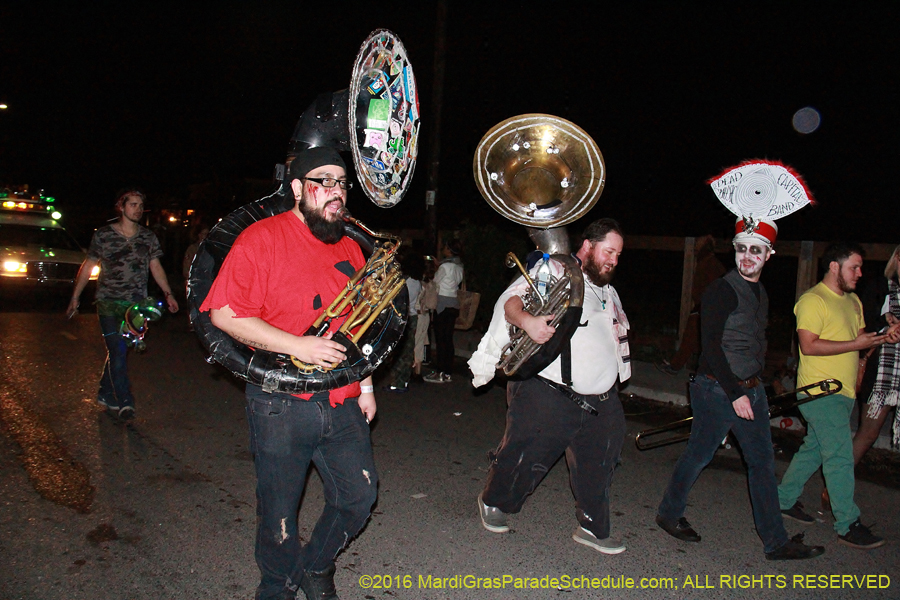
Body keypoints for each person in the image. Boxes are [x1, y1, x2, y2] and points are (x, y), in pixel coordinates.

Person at [200, 147, 378, 600]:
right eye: (324, 181)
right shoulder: (261, 238)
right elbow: (224, 314)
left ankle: (315, 564)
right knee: (279, 513)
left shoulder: (350, 246)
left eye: (342, 183)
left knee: (358, 497)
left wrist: (367, 385)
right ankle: (276, 586)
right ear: (297, 188)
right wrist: (298, 345)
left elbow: (359, 324)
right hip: (279, 400)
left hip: (342, 395)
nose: (336, 192)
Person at [656, 218, 823, 560]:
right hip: (717, 389)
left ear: (769, 255)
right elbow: (711, 347)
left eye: (755, 250)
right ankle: (669, 514)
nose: (747, 256)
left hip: (750, 389)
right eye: (742, 249)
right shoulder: (720, 290)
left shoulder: (760, 292)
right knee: (700, 454)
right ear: (734, 250)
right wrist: (735, 394)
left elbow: (753, 342)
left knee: (761, 462)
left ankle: (775, 542)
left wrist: (760, 384)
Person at [471, 218, 632, 554]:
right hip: (552, 392)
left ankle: (592, 527)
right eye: (609, 251)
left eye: (618, 255)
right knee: (524, 457)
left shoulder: (609, 290)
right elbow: (511, 302)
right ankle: (494, 501)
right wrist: (528, 322)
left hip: (602, 400)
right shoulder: (556, 271)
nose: (614, 260)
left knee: (600, 464)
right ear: (588, 246)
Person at [777, 242, 899, 550]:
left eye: (860, 268)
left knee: (815, 449)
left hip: (843, 391)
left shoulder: (853, 301)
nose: (860, 273)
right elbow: (809, 346)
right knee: (840, 456)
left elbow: (858, 339)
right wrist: (856, 345)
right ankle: (847, 524)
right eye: (854, 267)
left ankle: (782, 499)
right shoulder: (812, 300)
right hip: (819, 390)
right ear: (834, 267)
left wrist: (884, 336)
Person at [67, 189, 179, 420]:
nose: (138, 209)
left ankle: (105, 391)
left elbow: (155, 267)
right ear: (121, 207)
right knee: (117, 349)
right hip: (108, 302)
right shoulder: (104, 235)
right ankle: (125, 400)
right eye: (133, 205)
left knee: (120, 350)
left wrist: (169, 294)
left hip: (135, 306)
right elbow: (88, 265)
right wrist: (75, 297)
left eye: (141, 206)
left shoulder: (148, 237)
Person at [852, 244, 900, 462]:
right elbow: (863, 325)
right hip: (883, 370)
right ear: (897, 257)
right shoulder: (881, 286)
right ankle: (838, 480)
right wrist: (885, 321)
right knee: (869, 432)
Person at [657, 234, 726, 375]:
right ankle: (677, 366)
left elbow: (719, 289)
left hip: (708, 308)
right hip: (704, 307)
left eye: (698, 245)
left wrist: (708, 307)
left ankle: (678, 367)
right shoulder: (704, 262)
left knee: (696, 337)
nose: (695, 248)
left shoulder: (711, 264)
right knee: (693, 338)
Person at [423, 239, 464, 383]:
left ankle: (439, 371)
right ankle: (447, 372)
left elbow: (436, 282)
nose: (444, 250)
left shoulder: (445, 266)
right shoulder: (459, 266)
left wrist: (437, 268)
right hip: (453, 303)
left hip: (442, 303)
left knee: (440, 339)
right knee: (448, 339)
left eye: (446, 248)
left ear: (450, 250)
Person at [383, 251, 424, 393]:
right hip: (412, 317)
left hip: (402, 317)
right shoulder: (417, 282)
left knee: (399, 351)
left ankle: (396, 382)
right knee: (408, 350)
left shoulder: (404, 281)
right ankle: (404, 381)